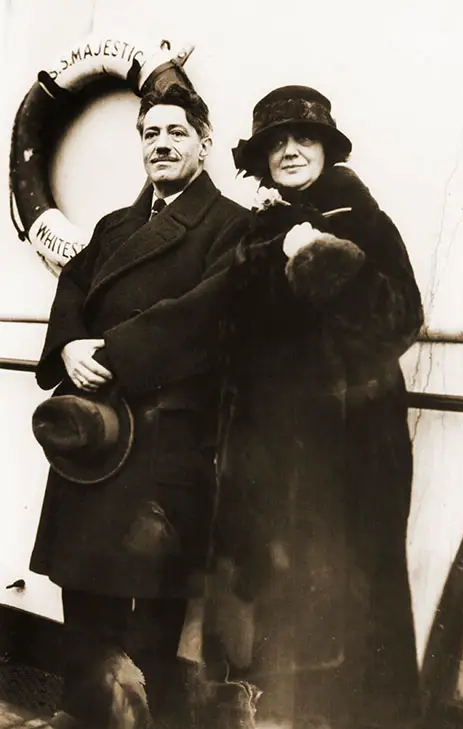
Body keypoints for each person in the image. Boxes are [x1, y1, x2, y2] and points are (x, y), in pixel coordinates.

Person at [29, 75, 250, 729]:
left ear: (204, 145)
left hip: (165, 443)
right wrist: (69, 346)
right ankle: (84, 710)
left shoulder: (233, 227)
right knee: (83, 590)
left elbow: (202, 317)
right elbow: (74, 284)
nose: (161, 143)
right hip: (92, 437)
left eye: (176, 132)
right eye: (150, 133)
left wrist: (112, 353)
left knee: (152, 607)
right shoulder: (114, 225)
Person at [203, 85, 424, 729]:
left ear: (326, 149)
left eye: (304, 139)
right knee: (267, 615)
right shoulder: (252, 231)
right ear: (261, 159)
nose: (291, 151)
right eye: (277, 142)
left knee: (350, 615)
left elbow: (401, 320)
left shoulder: (362, 218)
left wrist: (329, 263)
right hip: (264, 457)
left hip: (347, 456)